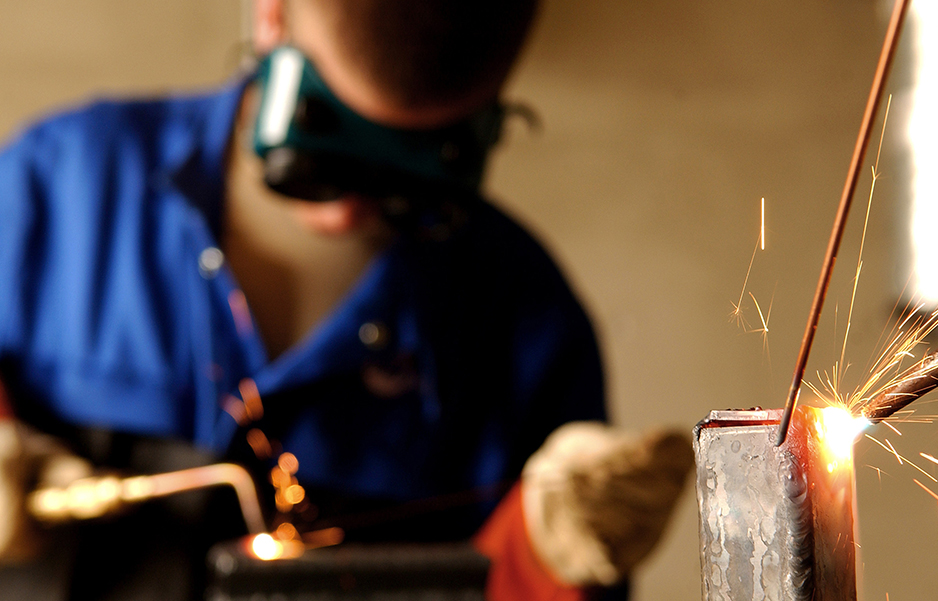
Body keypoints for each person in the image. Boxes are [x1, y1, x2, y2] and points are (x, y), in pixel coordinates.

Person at [0, 0, 693, 599]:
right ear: (271, 15)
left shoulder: (520, 316)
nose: (343, 214)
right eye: (316, 147)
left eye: (407, 177)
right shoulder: (56, 187)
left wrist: (539, 557)